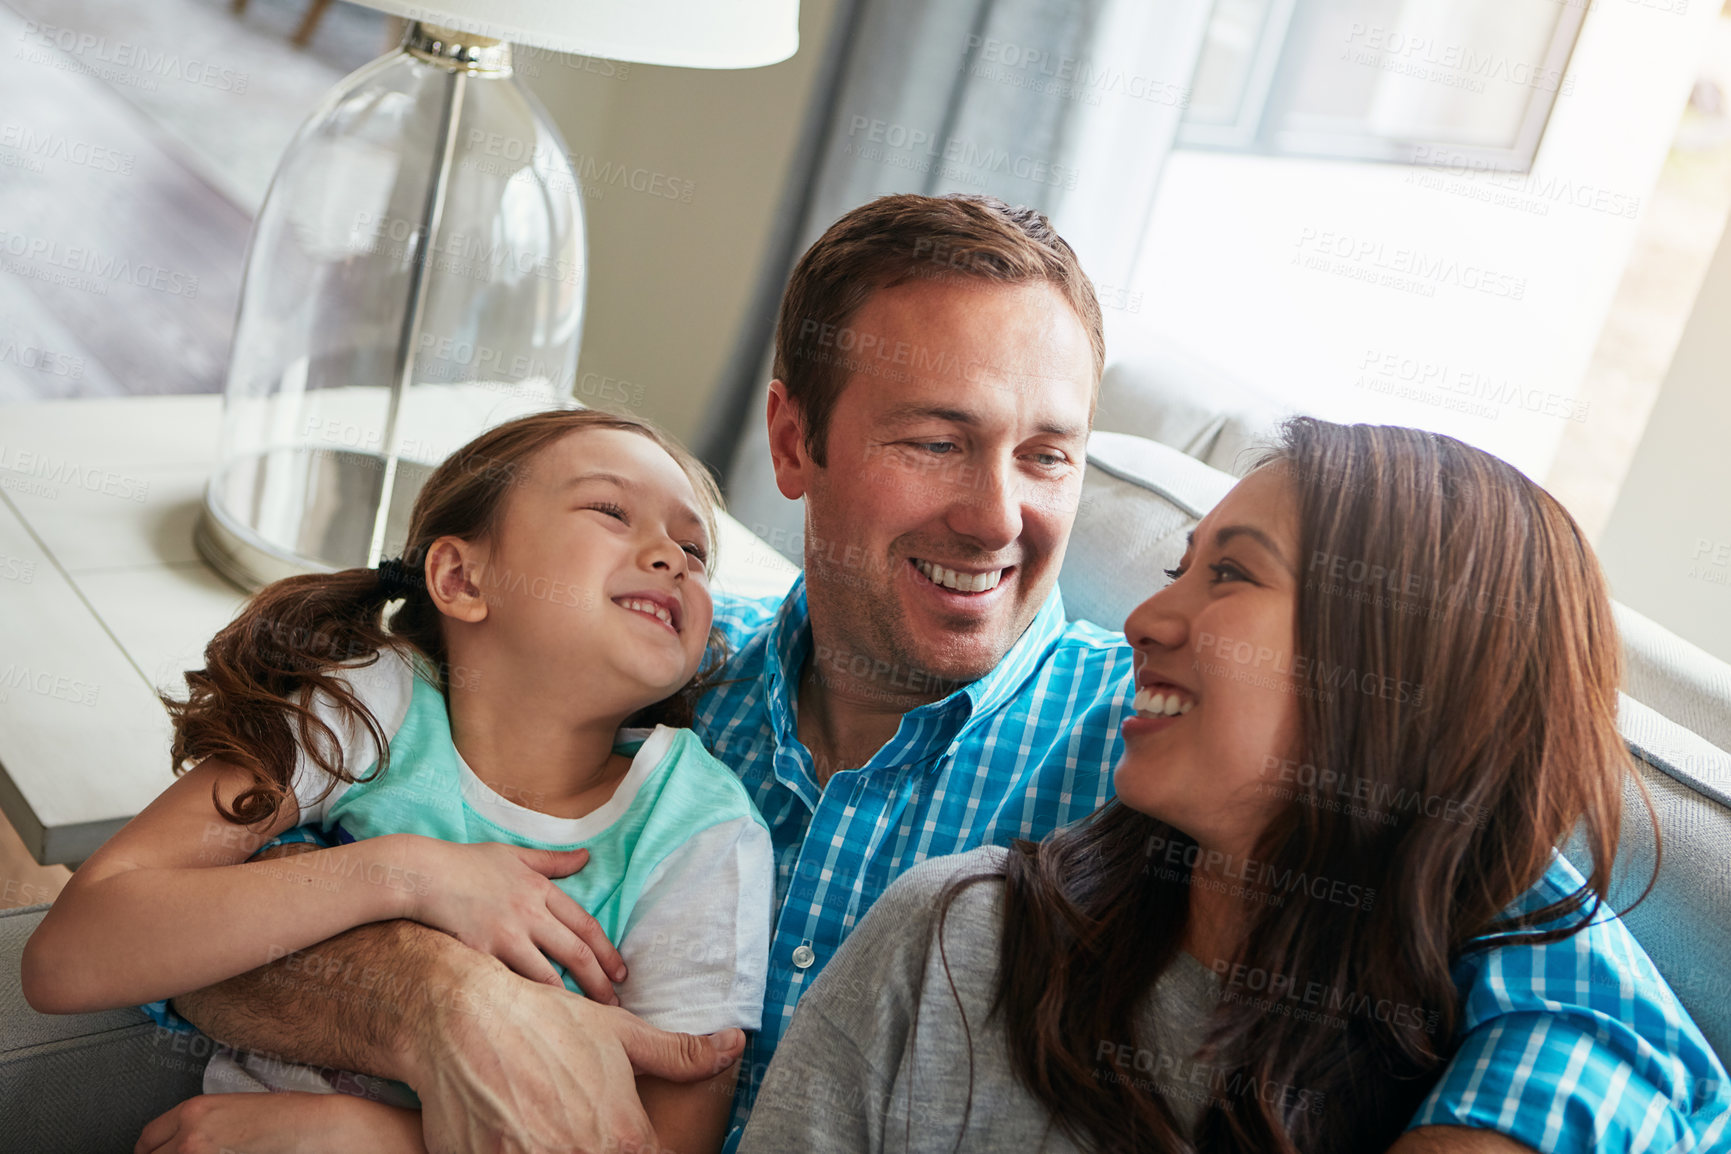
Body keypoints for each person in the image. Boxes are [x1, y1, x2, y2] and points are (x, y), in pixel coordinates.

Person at [128, 195, 1716, 1153]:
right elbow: (177, 925)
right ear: (797, 446)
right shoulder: (651, 694)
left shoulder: (1170, 749)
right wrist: (418, 997)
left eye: (1045, 454)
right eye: (936, 439)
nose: (998, 514)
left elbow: (1592, 1004)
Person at [740, 417, 1731, 1152]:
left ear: (1399, 673)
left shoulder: (1506, 1068)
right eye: (1179, 567)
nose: (1145, 617)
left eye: (1232, 576)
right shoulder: (958, 938)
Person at [23, 409, 774, 1154]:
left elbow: (660, 1142)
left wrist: (364, 1135)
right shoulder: (364, 707)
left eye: (694, 549)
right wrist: (405, 875)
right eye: (612, 510)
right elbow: (69, 957)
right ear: (460, 577)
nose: (671, 557)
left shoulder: (702, 832)